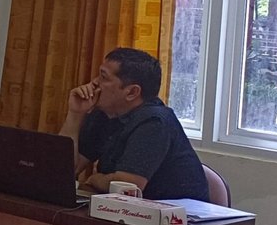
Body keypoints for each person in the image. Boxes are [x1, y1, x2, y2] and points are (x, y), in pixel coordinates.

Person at [59, 48, 209, 201]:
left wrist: (95, 179)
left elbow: (127, 186)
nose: (95, 82)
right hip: (126, 209)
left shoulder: (154, 122)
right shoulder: (106, 113)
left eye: (104, 77)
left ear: (132, 92)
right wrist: (75, 114)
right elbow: (62, 170)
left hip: (176, 213)